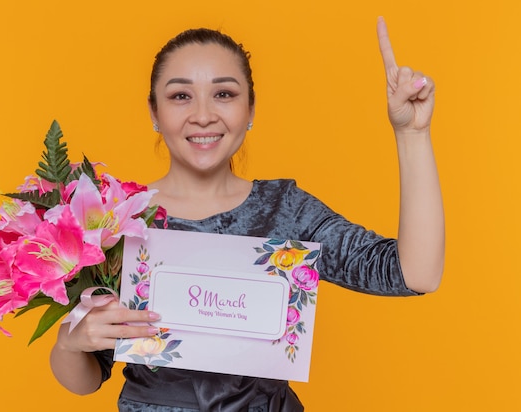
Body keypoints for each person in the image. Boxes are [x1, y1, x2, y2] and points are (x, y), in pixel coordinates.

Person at [49, 17, 445, 411]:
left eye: (223, 94)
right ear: (154, 111)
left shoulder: (286, 210)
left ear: (250, 108)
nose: (203, 115)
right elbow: (87, 379)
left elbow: (414, 273)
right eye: (180, 96)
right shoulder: (117, 219)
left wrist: (412, 135)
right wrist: (70, 341)